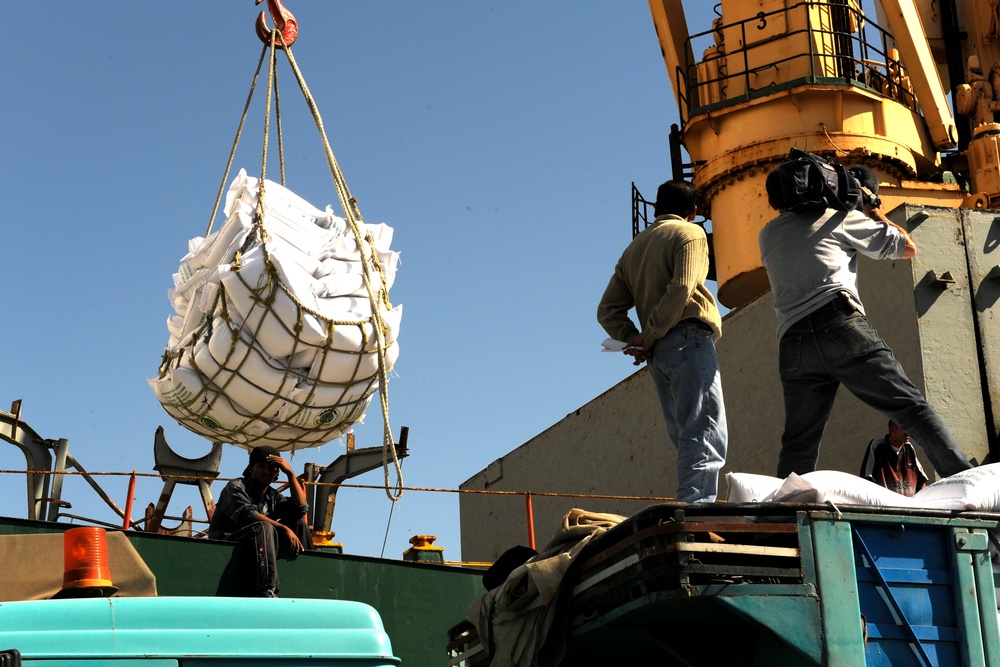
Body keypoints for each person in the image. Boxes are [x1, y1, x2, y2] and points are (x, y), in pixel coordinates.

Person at [758, 161, 973, 479]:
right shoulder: (839, 219)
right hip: (839, 325)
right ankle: (964, 479)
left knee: (799, 444)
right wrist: (870, 206)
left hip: (793, 341)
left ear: (773, 202)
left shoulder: (767, 235)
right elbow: (908, 248)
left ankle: (784, 518)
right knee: (910, 408)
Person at [597, 179, 728, 503]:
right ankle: (695, 512)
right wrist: (650, 334)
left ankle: (691, 507)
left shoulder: (633, 250)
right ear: (694, 212)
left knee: (686, 437)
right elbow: (683, 288)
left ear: (655, 208)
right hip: (687, 338)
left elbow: (607, 310)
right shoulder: (691, 234)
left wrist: (635, 339)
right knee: (706, 433)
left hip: (659, 356)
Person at [208, 445, 311, 597]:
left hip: (258, 545)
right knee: (265, 526)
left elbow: (300, 508)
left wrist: (290, 473)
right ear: (251, 469)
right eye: (261, 466)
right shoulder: (235, 487)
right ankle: (266, 590)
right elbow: (248, 514)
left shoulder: (272, 496)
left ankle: (307, 575)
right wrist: (283, 528)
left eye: (272, 468)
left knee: (298, 522)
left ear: (277, 474)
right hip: (228, 542)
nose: (266, 471)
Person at [860, 420, 928, 496]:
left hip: (909, 507)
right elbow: (866, 478)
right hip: (886, 506)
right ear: (893, 429)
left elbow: (921, 481)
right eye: (905, 428)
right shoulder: (878, 446)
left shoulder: (909, 448)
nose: (909, 432)